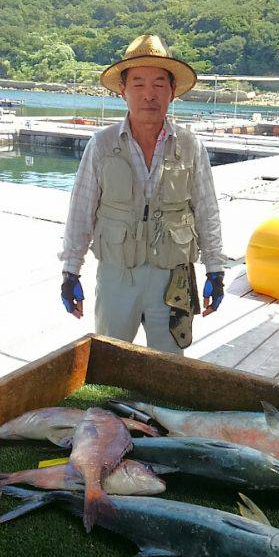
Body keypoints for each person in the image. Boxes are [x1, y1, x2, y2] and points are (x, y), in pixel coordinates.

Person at [59, 34, 224, 355]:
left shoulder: (190, 146)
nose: (149, 94)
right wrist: (70, 271)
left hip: (173, 277)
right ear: (123, 91)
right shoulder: (101, 145)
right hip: (117, 276)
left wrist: (215, 269)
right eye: (138, 84)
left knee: (169, 365)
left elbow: (207, 211)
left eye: (159, 84)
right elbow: (80, 212)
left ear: (172, 91)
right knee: (110, 358)